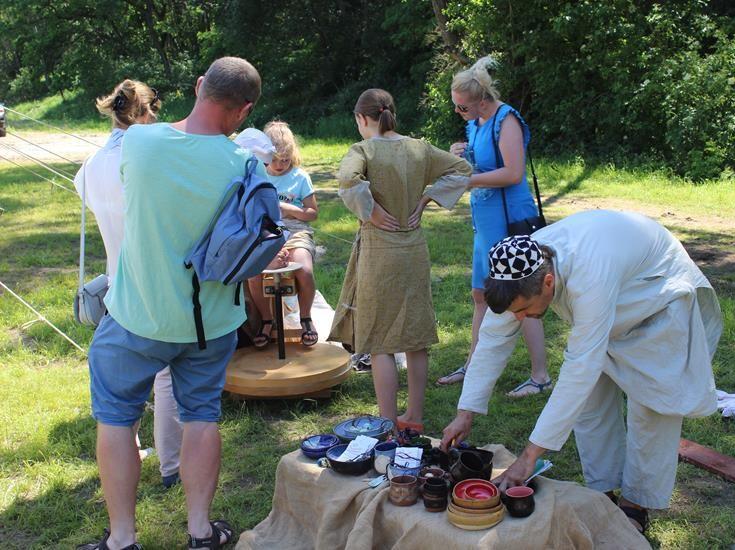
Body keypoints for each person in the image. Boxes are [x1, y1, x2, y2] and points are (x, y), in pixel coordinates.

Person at [440, 210, 723, 534]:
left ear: (548, 282)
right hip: (609, 309)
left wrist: (529, 456)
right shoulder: (519, 267)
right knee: (590, 408)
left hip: (656, 303)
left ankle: (636, 506)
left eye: (523, 311)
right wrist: (466, 411)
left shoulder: (589, 274)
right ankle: (602, 496)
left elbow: (579, 369)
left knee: (652, 412)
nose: (519, 319)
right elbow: (492, 339)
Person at [79, 57, 262, 550]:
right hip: (211, 323)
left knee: (117, 418)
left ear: (200, 85)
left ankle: (122, 540)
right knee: (201, 416)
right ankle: (201, 532)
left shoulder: (140, 143)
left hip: (137, 315)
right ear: (244, 110)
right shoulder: (244, 163)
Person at [328, 88, 472, 432]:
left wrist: (371, 210)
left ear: (363, 119)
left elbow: (347, 177)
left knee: (381, 342)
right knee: (415, 336)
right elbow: (462, 167)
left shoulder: (362, 149)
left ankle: (388, 422)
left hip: (380, 253)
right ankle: (416, 417)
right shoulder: (418, 148)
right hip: (414, 250)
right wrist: (427, 198)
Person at [72, 79, 183, 490]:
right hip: (151, 278)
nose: (157, 117)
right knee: (166, 373)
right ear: (141, 112)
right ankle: (173, 466)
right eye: (153, 110)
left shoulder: (91, 166)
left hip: (116, 280)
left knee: (122, 377)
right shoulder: (145, 159)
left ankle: (135, 448)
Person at [435, 56, 551, 398]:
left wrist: (466, 181)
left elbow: (512, 173)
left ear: (482, 99)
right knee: (480, 294)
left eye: (463, 107)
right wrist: (460, 154)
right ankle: (473, 365)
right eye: (456, 107)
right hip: (483, 221)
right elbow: (479, 161)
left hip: (509, 219)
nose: (459, 113)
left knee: (522, 295)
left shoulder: (506, 118)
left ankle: (540, 375)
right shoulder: (477, 121)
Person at [245, 122, 320, 348]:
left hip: (297, 233)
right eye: (275, 160)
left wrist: (290, 210)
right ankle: (267, 321)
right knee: (253, 274)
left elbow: (312, 213)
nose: (280, 165)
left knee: (304, 270)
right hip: (267, 233)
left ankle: (305, 317)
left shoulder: (300, 176)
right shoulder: (257, 174)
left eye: (285, 160)